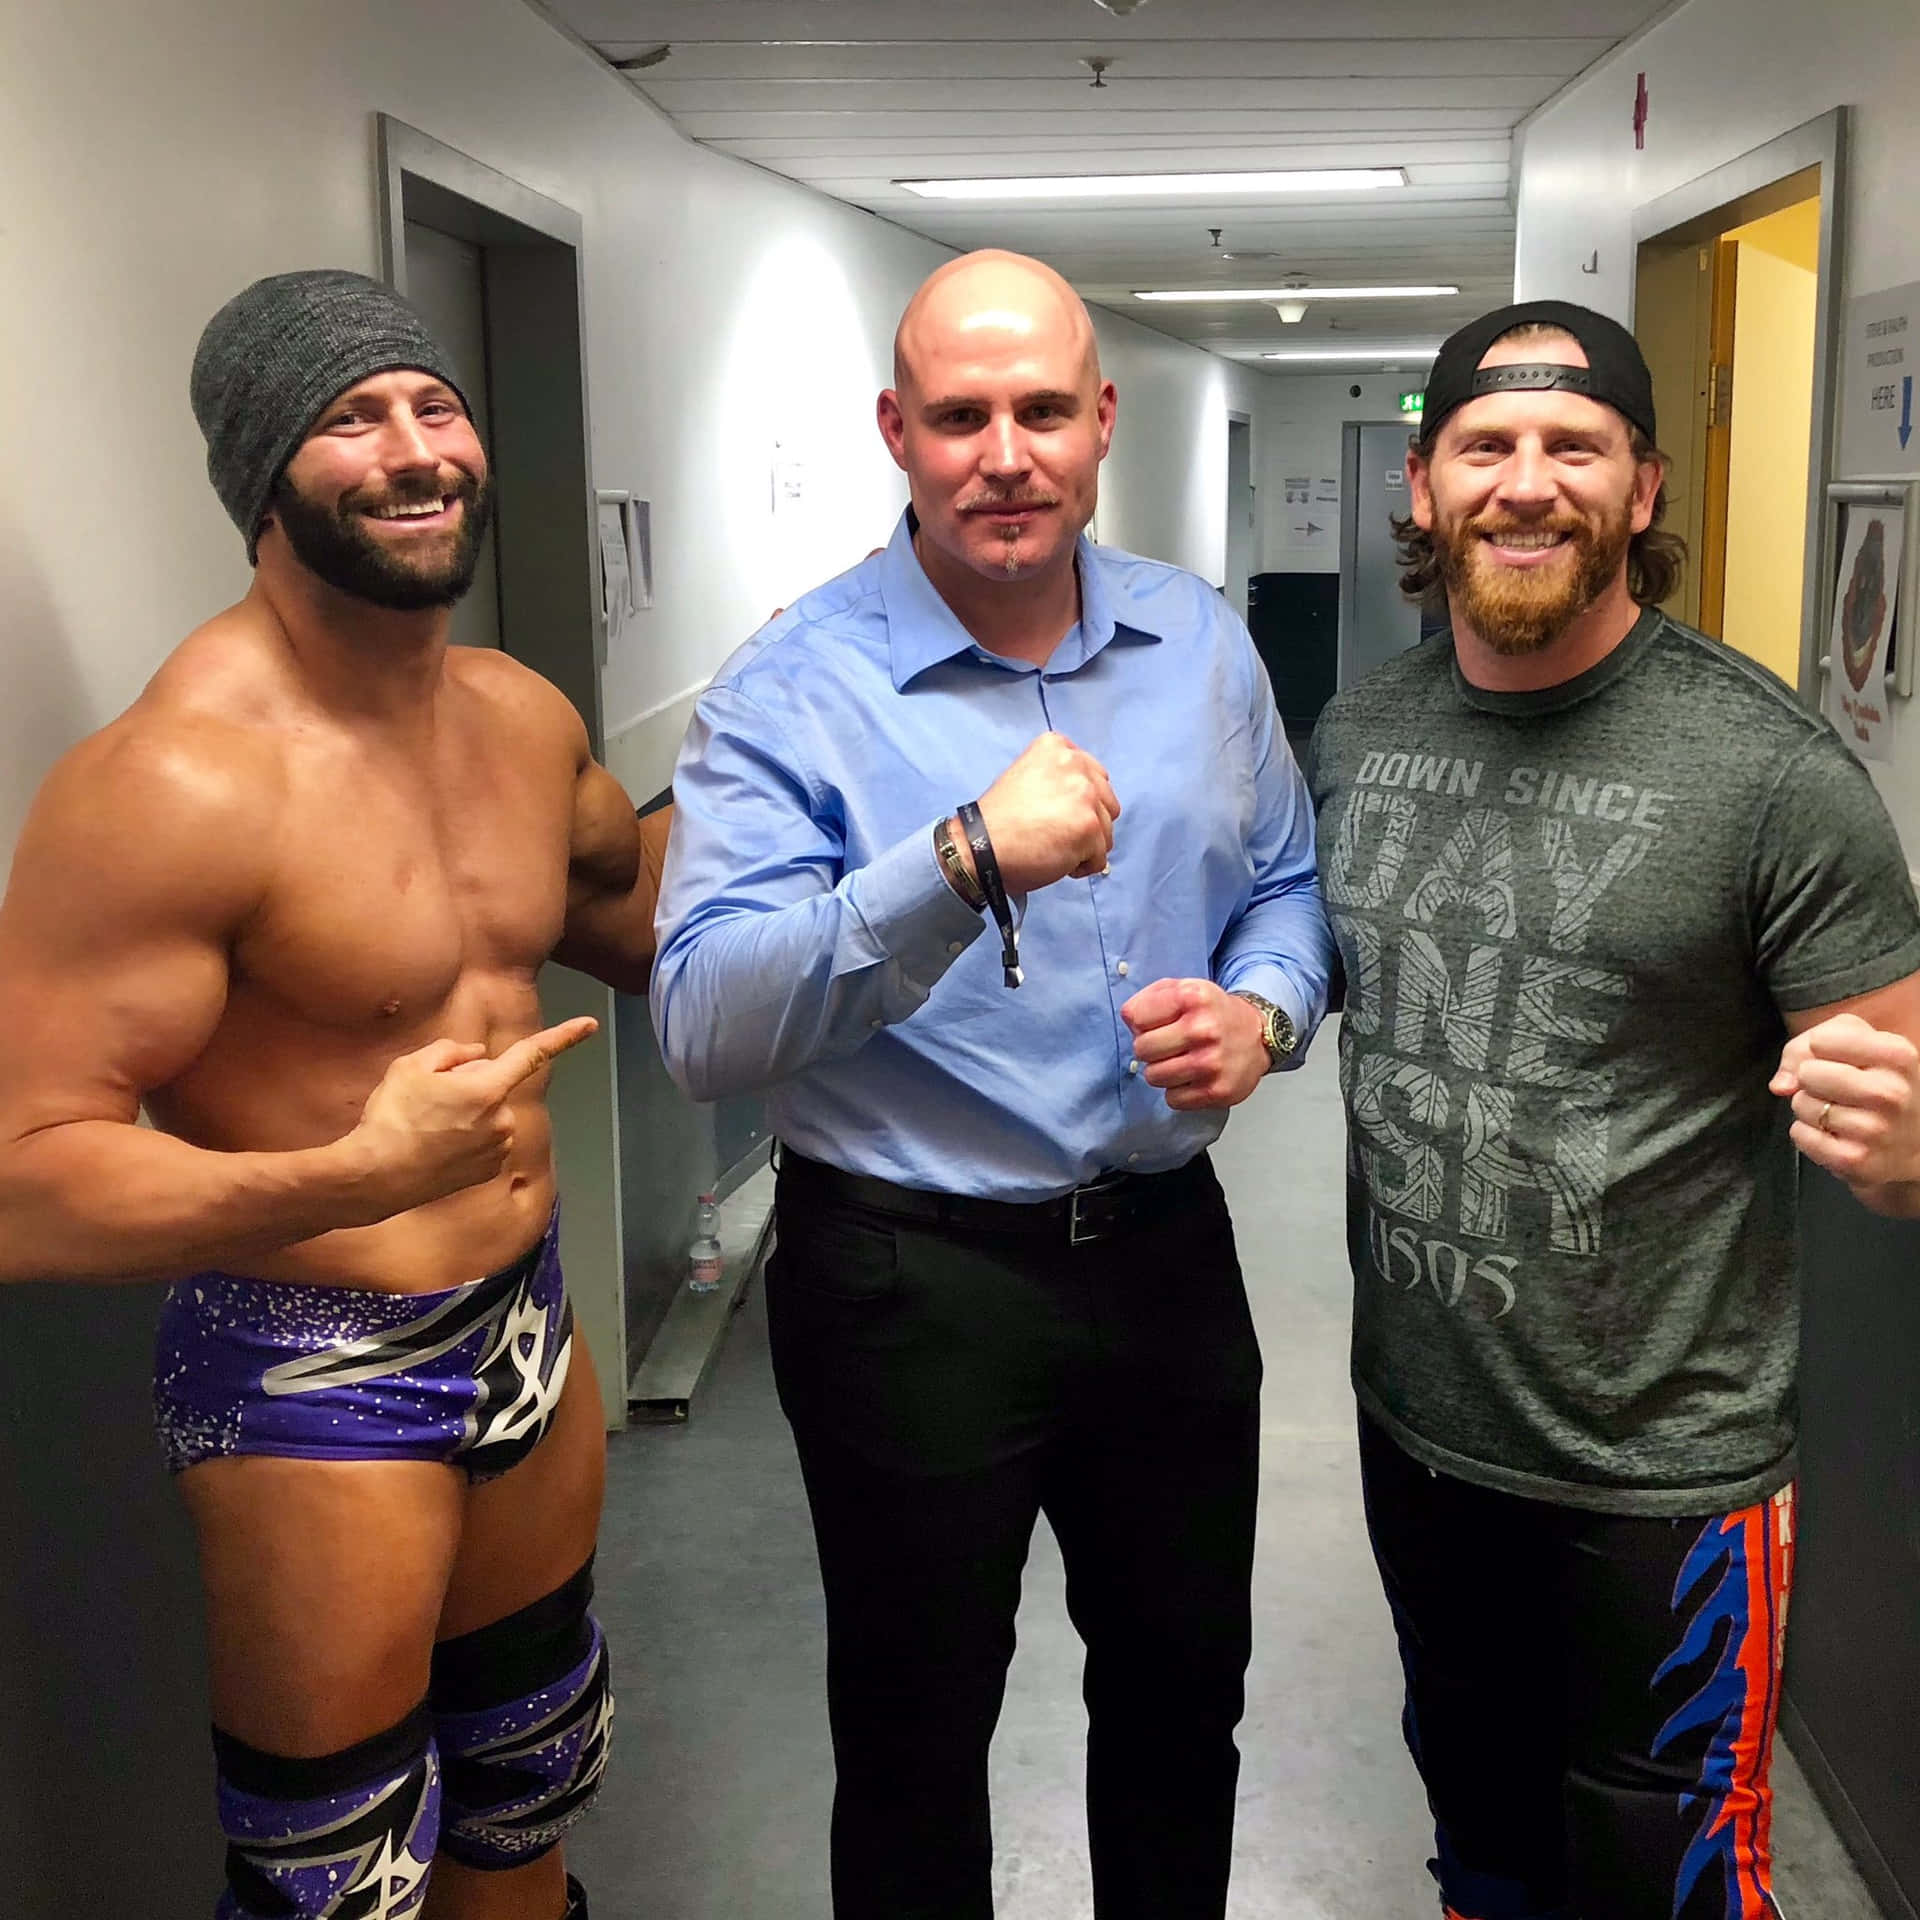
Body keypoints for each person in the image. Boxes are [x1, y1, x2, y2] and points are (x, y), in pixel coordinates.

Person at [651, 249, 1334, 1920]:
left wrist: (1269, 1013)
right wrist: (958, 858)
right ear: (898, 431)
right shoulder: (791, 687)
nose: (1004, 454)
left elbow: (1289, 886)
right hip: (907, 1277)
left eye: (1042, 411)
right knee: (912, 1744)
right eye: (961, 417)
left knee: (1185, 1707)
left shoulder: (1200, 645)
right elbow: (700, 1023)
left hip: (1167, 1259)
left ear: (1103, 421)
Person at [0, 270, 669, 1920]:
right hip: (316, 1375)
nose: (412, 449)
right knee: (336, 1876)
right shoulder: (170, 782)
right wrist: (345, 1176)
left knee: (527, 1789)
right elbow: (21, 1178)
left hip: (528, 1320)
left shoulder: (519, 720)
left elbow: (653, 932)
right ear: (262, 477)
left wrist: (850, 775)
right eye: (349, 420)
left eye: (432, 406)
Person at [1305, 298, 1920, 1920]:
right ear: (1425, 488)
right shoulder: (1360, 733)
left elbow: (1904, 1103)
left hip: (1662, 1474)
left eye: (1573, 447)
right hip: (1422, 1425)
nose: (1527, 483)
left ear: (1642, 488)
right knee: (1482, 1846)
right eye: (1484, 446)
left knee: (1666, 1879)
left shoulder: (1769, 771)